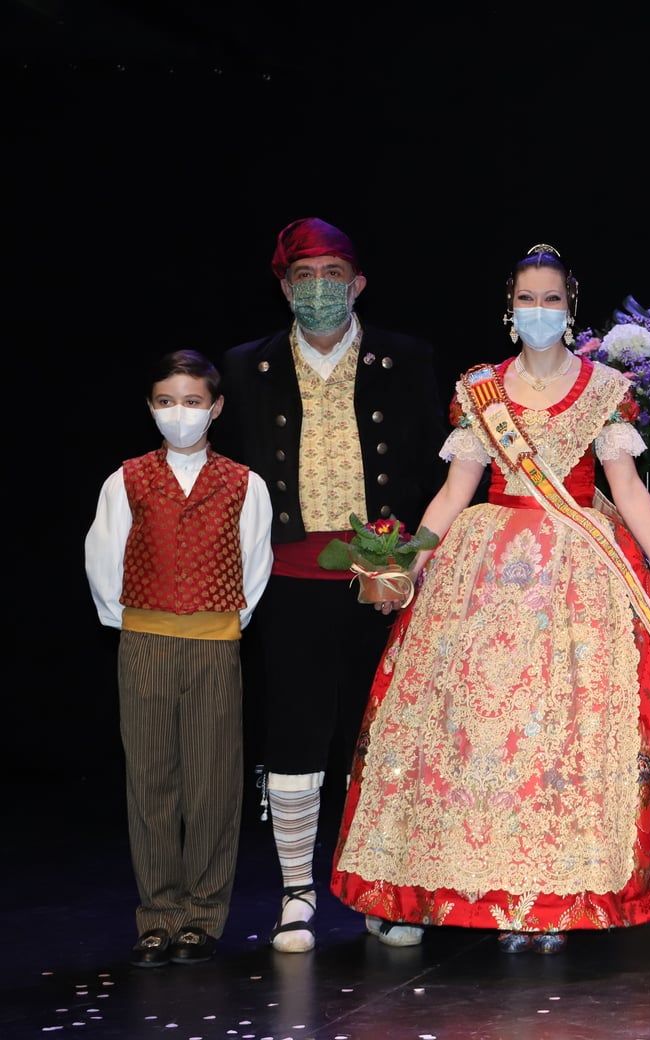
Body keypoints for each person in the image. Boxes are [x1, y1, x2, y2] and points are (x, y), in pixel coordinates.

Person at [330, 245, 650, 953]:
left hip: (579, 565)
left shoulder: (604, 390)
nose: (539, 311)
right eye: (527, 298)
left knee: (567, 726)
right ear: (508, 307)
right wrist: (404, 563)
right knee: (472, 729)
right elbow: (454, 491)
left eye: (551, 299)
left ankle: (553, 893)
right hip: (486, 568)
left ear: (571, 307)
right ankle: (466, 885)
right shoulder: (480, 390)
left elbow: (628, 486)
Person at [220, 218, 448, 952]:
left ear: (357, 285)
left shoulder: (407, 359)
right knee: (295, 727)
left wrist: (404, 559)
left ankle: (379, 892)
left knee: (376, 730)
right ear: (284, 287)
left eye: (332, 277)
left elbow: (430, 468)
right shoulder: (244, 365)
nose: (319, 291)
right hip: (288, 570)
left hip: (381, 564)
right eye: (303, 278)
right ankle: (296, 891)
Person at [85, 350, 273, 967]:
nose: (180, 413)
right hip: (144, 640)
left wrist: (224, 620)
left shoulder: (245, 482)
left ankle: (202, 914)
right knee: (151, 778)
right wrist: (129, 620)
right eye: (167, 401)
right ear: (151, 408)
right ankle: (158, 913)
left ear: (215, 408)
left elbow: (256, 561)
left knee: (212, 779)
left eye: (192, 401)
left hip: (215, 643)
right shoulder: (127, 478)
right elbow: (105, 554)